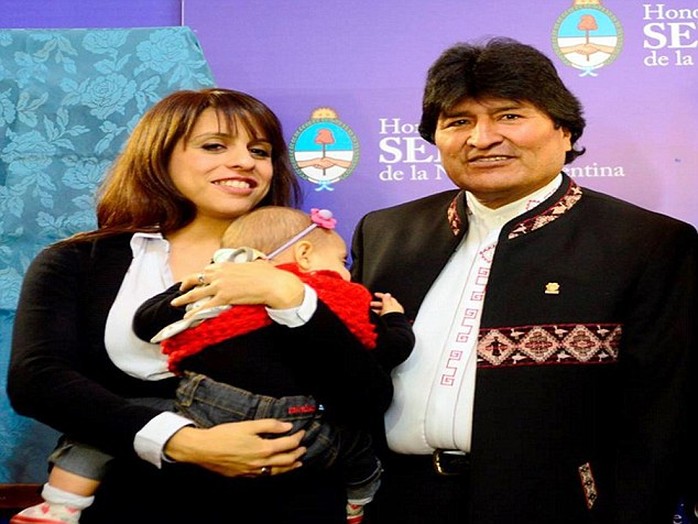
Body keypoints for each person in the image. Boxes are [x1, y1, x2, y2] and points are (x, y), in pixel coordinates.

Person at [348, 37, 698, 524]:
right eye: (458, 121)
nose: (482, 137)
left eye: (509, 116)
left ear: (565, 130)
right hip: (400, 502)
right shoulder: (385, 233)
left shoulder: (647, 243)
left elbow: (661, 417)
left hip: (557, 506)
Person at [8, 87, 353, 524]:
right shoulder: (78, 261)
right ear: (159, 156)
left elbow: (363, 393)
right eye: (214, 146)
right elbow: (37, 380)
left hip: (290, 501)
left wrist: (292, 300)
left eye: (260, 151)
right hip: (132, 502)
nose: (245, 162)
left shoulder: (313, 258)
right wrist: (181, 441)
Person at [132, 206, 415, 524]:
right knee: (356, 443)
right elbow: (390, 351)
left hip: (206, 412)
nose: (348, 272)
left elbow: (145, 324)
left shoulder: (217, 293)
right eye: (342, 261)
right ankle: (359, 496)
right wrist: (394, 318)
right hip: (297, 434)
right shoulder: (344, 297)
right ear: (305, 254)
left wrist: (206, 277)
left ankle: (70, 492)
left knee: (128, 419)